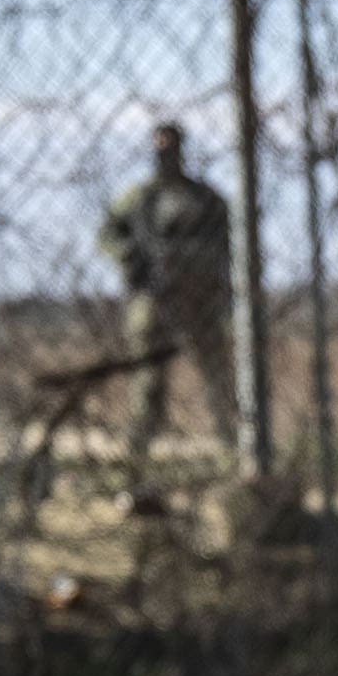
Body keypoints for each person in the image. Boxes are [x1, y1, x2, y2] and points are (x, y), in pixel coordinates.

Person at [96, 121, 233, 470]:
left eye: (171, 147)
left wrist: (199, 263)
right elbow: (107, 236)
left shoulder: (205, 199)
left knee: (219, 377)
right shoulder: (138, 198)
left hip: (199, 300)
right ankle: (137, 460)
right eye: (160, 148)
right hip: (154, 301)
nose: (166, 155)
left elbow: (230, 243)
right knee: (148, 385)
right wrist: (132, 260)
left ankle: (234, 450)